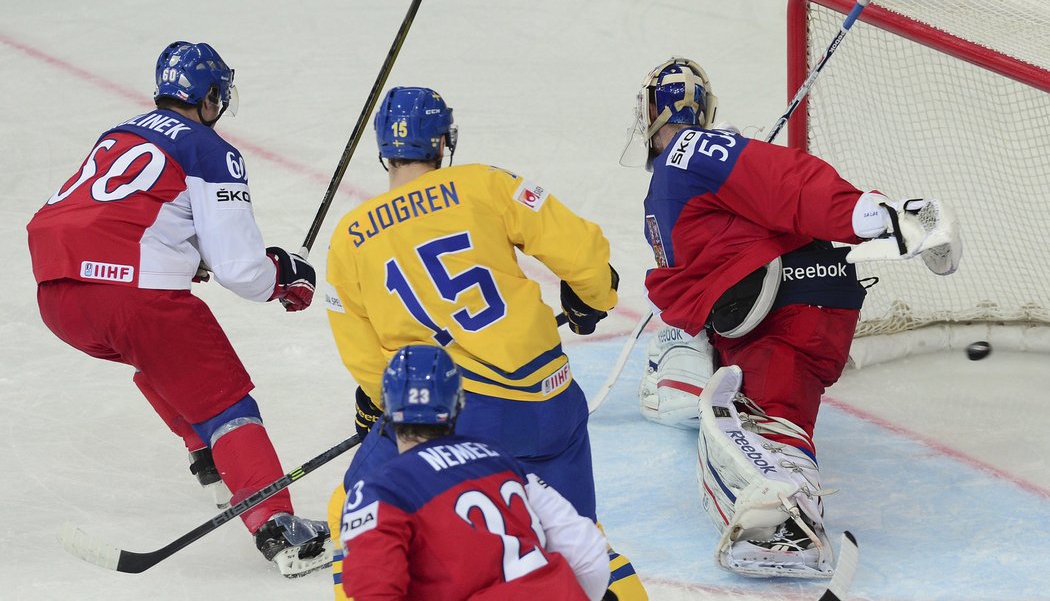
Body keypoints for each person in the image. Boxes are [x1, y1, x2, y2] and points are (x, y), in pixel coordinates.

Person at [624, 57, 960, 578]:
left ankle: (788, 522)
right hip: (775, 307)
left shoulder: (687, 152)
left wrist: (868, 215)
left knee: (771, 422)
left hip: (792, 302)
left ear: (649, 110)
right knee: (742, 412)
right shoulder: (680, 174)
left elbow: (787, 182)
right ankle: (778, 508)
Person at [325, 86, 646, 600]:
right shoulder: (484, 183)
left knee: (353, 507)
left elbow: (364, 356)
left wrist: (384, 402)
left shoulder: (349, 237)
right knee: (574, 541)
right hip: (552, 405)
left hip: (461, 412)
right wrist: (595, 294)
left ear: (383, 148)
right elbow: (582, 252)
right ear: (445, 140)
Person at [26, 40, 331, 577]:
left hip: (56, 293)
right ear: (210, 95)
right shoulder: (209, 149)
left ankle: (210, 460)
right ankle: (280, 532)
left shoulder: (120, 131)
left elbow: (112, 215)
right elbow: (241, 271)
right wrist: (283, 276)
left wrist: (178, 255)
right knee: (225, 399)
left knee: (161, 358)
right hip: (129, 299)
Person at [339, 344, 611, 600]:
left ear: (385, 406)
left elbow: (375, 589)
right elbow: (587, 552)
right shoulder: (500, 460)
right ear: (459, 403)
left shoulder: (377, 491)